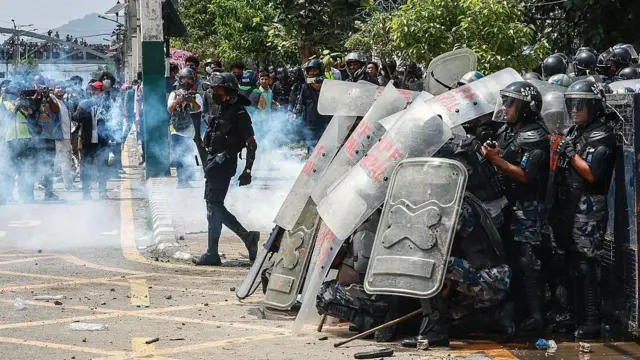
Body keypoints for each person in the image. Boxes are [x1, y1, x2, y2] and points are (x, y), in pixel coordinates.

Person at [481, 81, 550, 335]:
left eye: (512, 103)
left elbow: (526, 176)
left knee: (527, 261)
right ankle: (515, 312)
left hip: (527, 208)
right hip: (508, 205)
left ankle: (535, 316)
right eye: (505, 102)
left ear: (525, 108)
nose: (506, 107)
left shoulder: (535, 135)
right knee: (510, 258)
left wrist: (496, 160)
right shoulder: (509, 131)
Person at [549, 79, 616, 340]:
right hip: (569, 205)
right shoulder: (577, 132)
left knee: (586, 265)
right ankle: (572, 315)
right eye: (571, 105)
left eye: (579, 105)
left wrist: (571, 153)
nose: (574, 110)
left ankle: (591, 320)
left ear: (593, 106)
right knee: (569, 262)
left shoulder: (602, 135)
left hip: (589, 208)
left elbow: (593, 175)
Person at [192, 72, 260, 266]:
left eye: (217, 89)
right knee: (214, 206)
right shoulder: (221, 109)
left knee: (213, 207)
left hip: (225, 164)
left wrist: (248, 170)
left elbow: (251, 144)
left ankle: (213, 252)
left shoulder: (239, 113)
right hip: (214, 163)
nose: (213, 92)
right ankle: (247, 238)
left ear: (227, 91)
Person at [75, 81, 110, 200]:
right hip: (87, 140)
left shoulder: (106, 105)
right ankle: (86, 193)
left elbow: (111, 121)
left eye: (95, 90)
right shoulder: (85, 104)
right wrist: (79, 109)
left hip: (102, 140)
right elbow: (76, 118)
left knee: (102, 167)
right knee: (85, 167)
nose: (93, 92)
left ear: (101, 92)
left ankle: (102, 191)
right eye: (92, 90)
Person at [167, 68, 202, 188]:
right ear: (180, 80)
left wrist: (191, 101)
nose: (187, 81)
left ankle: (185, 179)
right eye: (185, 78)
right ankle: (180, 180)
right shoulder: (174, 94)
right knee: (178, 155)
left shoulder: (196, 95)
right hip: (176, 130)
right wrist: (178, 101)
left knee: (187, 154)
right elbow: (170, 109)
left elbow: (198, 109)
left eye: (190, 79)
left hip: (189, 130)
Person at [292, 59, 331, 153]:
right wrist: (295, 113)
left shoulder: (328, 84)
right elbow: (300, 101)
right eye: (310, 70)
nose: (312, 73)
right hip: (310, 122)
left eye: (315, 70)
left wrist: (319, 89)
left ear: (320, 70)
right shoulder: (305, 86)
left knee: (324, 146)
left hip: (324, 121)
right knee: (311, 145)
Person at [33, 75, 60, 201]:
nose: (39, 86)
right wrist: (36, 97)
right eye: (37, 83)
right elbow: (31, 111)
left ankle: (49, 192)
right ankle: (28, 194)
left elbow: (56, 110)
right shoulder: (31, 96)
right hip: (36, 137)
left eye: (41, 84)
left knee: (49, 165)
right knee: (34, 164)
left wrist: (47, 97)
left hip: (49, 136)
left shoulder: (50, 97)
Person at [52, 84, 78, 191]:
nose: (61, 89)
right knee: (65, 162)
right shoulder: (53, 101)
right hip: (59, 136)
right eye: (58, 87)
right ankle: (68, 185)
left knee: (63, 161)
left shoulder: (64, 103)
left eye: (62, 88)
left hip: (66, 136)